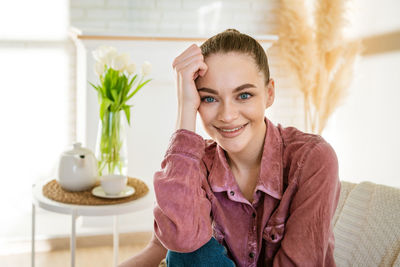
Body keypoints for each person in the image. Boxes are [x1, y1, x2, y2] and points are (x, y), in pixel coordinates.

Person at [119, 29, 341, 267]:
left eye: (244, 95)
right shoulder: (196, 163)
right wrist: (185, 108)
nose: (227, 116)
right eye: (209, 99)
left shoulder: (311, 158)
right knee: (186, 248)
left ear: (269, 93)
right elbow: (169, 244)